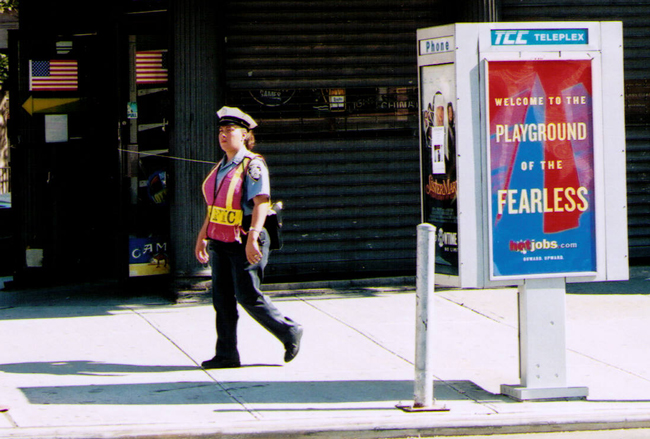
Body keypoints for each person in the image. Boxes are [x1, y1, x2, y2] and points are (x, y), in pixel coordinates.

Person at [195, 106, 303, 369]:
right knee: (221, 299)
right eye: (221, 131)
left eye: (229, 130)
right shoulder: (221, 166)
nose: (223, 135)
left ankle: (289, 331)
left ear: (244, 135)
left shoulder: (252, 164)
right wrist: (202, 237)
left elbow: (261, 203)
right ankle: (226, 354)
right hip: (221, 239)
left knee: (247, 295)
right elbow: (215, 207)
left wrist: (253, 237)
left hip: (246, 236)